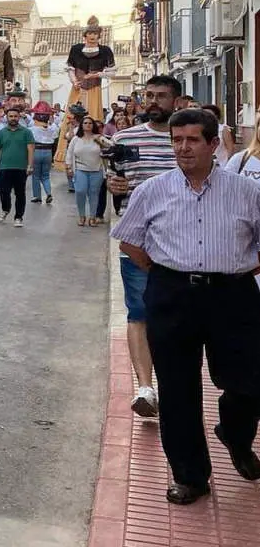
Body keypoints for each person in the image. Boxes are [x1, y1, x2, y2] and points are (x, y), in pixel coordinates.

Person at [111, 108, 260, 505]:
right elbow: (129, 240)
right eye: (177, 140)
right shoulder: (153, 190)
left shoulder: (245, 191)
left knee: (248, 383)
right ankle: (191, 477)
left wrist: (235, 270)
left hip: (233, 296)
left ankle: (235, 433)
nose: (183, 148)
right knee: (177, 391)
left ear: (214, 144)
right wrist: (166, 273)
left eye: (192, 140)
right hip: (172, 295)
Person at [107, 74, 185, 420]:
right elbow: (118, 185)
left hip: (184, 244)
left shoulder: (187, 138)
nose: (154, 101)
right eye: (149, 95)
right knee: (138, 313)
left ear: (176, 101)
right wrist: (115, 185)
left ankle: (174, 384)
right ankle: (145, 387)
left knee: (178, 319)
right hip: (137, 243)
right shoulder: (124, 138)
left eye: (162, 96)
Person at [65, 16, 116, 121]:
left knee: (93, 118)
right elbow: (71, 68)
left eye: (95, 33)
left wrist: (97, 75)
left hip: (94, 88)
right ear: (85, 35)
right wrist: (74, 81)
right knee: (73, 116)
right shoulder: (76, 49)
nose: (92, 36)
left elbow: (112, 72)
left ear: (99, 35)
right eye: (90, 33)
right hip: (78, 88)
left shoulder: (105, 50)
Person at [0, 107, 35, 227]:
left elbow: (30, 149)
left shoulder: (27, 132)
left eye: (15, 116)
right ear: (7, 117)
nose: (13, 118)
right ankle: (5, 209)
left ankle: (19, 217)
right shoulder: (1, 133)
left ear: (19, 117)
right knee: (4, 192)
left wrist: (30, 165)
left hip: (21, 168)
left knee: (20, 193)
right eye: (11, 116)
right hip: (5, 167)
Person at [66, 116, 109, 227]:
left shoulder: (99, 137)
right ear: (82, 125)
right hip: (80, 170)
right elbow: (69, 153)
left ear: (93, 125)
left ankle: (92, 217)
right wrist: (69, 167)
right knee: (80, 191)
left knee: (94, 194)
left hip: (97, 170)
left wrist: (100, 142)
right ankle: (81, 216)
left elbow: (110, 147)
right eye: (85, 123)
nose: (88, 125)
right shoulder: (76, 139)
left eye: (90, 123)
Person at [28, 101, 59, 204]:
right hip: (48, 152)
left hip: (36, 151)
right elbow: (55, 137)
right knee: (46, 175)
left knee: (36, 175)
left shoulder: (32, 129)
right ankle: (49, 193)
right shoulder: (53, 128)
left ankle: (37, 196)